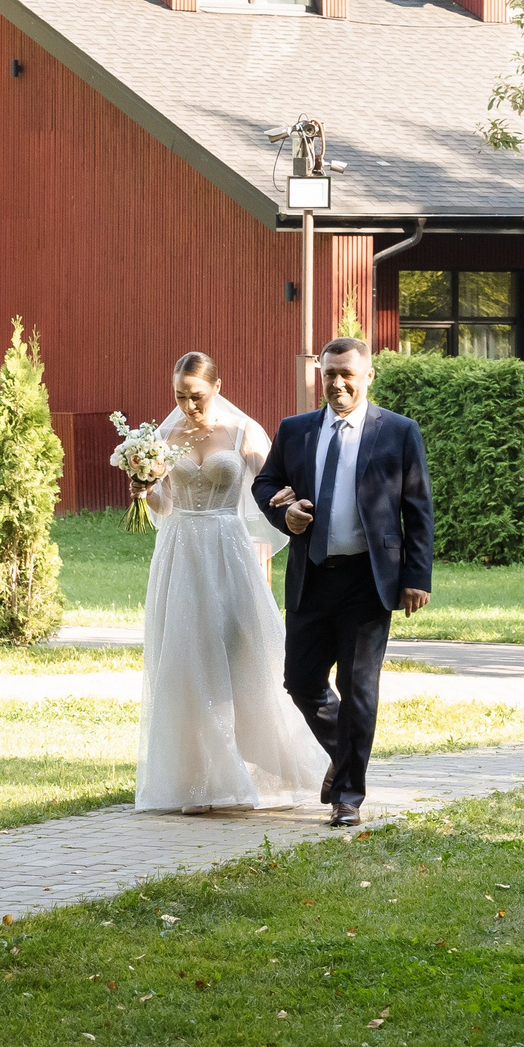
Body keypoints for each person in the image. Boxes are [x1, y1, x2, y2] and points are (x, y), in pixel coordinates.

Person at [250, 336, 434, 827]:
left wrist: (416, 576)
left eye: (347, 374)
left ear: (368, 375)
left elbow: (417, 510)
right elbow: (264, 484)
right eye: (329, 374)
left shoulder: (398, 431)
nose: (337, 383)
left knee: (357, 689)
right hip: (312, 577)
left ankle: (348, 795)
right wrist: (283, 512)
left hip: (369, 581)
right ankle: (345, 754)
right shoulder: (296, 431)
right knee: (302, 681)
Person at [133, 351, 327, 813]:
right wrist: (145, 484)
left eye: (196, 396)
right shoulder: (163, 436)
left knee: (242, 652)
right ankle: (194, 780)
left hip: (227, 548)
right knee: (184, 654)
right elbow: (164, 504)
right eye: (179, 396)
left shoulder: (243, 432)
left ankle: (268, 762)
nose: (188, 406)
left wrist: (291, 506)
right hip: (180, 550)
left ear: (217, 388)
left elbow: (272, 487)